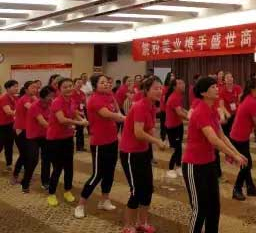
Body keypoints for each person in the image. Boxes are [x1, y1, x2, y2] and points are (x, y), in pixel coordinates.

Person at [182, 76, 248, 233]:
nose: (217, 89)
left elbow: (222, 136)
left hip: (209, 164)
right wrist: (234, 156)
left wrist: (237, 153)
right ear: (203, 93)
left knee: (214, 207)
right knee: (200, 208)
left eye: (216, 86)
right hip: (194, 165)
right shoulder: (200, 111)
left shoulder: (211, 110)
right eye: (212, 87)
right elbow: (214, 140)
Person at [119, 76, 167, 233]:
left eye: (160, 88)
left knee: (147, 188)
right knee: (136, 191)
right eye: (155, 88)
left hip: (143, 151)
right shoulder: (140, 106)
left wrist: (157, 139)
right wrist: (157, 141)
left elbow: (150, 128)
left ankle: (142, 222)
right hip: (130, 153)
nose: (159, 91)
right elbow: (138, 132)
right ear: (146, 90)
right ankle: (128, 226)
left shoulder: (152, 106)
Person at [74, 74, 126, 219]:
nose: (106, 84)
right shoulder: (94, 100)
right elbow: (108, 114)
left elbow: (116, 110)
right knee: (97, 174)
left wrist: (120, 118)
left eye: (107, 82)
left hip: (112, 140)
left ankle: (104, 200)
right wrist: (127, 118)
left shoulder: (109, 96)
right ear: (95, 85)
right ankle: (81, 205)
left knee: (109, 172)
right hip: (99, 143)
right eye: (102, 83)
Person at [47, 77, 88, 206]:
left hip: (68, 137)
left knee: (69, 166)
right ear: (59, 89)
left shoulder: (71, 99)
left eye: (70, 86)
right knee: (57, 167)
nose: (69, 88)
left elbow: (74, 112)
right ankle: (51, 194)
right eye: (65, 87)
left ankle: (67, 191)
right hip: (55, 139)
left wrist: (82, 118)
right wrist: (79, 123)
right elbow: (62, 120)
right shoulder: (57, 102)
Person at [230, 77, 256, 201]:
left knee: (246, 163)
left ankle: (250, 187)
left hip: (241, 136)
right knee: (245, 164)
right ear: (253, 89)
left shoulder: (250, 99)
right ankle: (237, 189)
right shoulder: (251, 102)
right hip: (238, 137)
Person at [22, 86, 54, 193]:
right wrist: (56, 129)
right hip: (33, 136)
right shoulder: (35, 106)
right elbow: (43, 122)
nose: (52, 98)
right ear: (43, 96)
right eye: (50, 96)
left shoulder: (50, 104)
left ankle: (45, 182)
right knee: (33, 160)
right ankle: (25, 182)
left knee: (47, 159)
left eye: (53, 96)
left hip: (45, 135)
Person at [12, 80, 38, 185]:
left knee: (29, 155)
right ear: (26, 89)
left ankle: (27, 175)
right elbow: (33, 109)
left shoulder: (32, 98)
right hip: (20, 131)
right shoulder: (25, 99)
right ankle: (15, 175)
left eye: (36, 87)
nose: (35, 89)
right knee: (24, 155)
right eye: (32, 87)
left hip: (29, 130)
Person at [165, 78, 189, 179]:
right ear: (175, 87)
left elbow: (181, 108)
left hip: (178, 125)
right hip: (172, 127)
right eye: (180, 83)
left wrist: (189, 112)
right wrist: (192, 118)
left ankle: (178, 167)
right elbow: (179, 113)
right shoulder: (174, 97)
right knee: (176, 148)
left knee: (179, 147)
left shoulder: (178, 96)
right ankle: (170, 169)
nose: (183, 84)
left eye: (183, 82)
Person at [0, 79, 19, 171]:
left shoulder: (14, 97)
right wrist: (18, 111)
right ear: (8, 88)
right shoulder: (4, 98)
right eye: (14, 86)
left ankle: (9, 164)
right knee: (0, 145)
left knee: (9, 144)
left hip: (10, 124)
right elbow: (8, 112)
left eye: (17, 86)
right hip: (2, 126)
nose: (17, 88)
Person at [219, 72, 242, 138]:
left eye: (231, 77)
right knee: (227, 133)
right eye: (227, 77)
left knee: (237, 132)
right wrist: (227, 113)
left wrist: (239, 111)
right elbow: (221, 105)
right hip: (227, 114)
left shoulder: (237, 88)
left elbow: (241, 101)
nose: (229, 78)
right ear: (224, 80)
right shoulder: (222, 90)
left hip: (237, 113)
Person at [72, 78, 88, 152]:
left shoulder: (82, 93)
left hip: (81, 113)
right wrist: (78, 112)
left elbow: (84, 103)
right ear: (74, 83)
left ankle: (81, 146)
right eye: (78, 82)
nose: (80, 84)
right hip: (74, 114)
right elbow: (72, 106)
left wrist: (84, 111)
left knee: (81, 130)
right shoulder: (72, 93)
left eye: (81, 83)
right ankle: (78, 147)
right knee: (77, 130)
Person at [159, 74, 174, 143]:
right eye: (171, 78)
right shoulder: (164, 88)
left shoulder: (173, 88)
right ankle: (163, 139)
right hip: (164, 109)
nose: (172, 79)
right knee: (163, 125)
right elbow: (164, 99)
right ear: (168, 79)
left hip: (171, 110)